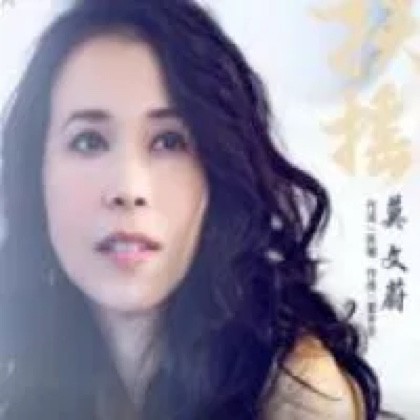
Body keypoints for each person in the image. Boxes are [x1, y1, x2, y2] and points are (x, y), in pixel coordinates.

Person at [0, 0, 382, 419]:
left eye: (169, 142)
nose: (128, 189)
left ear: (216, 175)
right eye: (89, 141)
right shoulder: (35, 364)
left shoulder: (295, 391)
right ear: (36, 173)